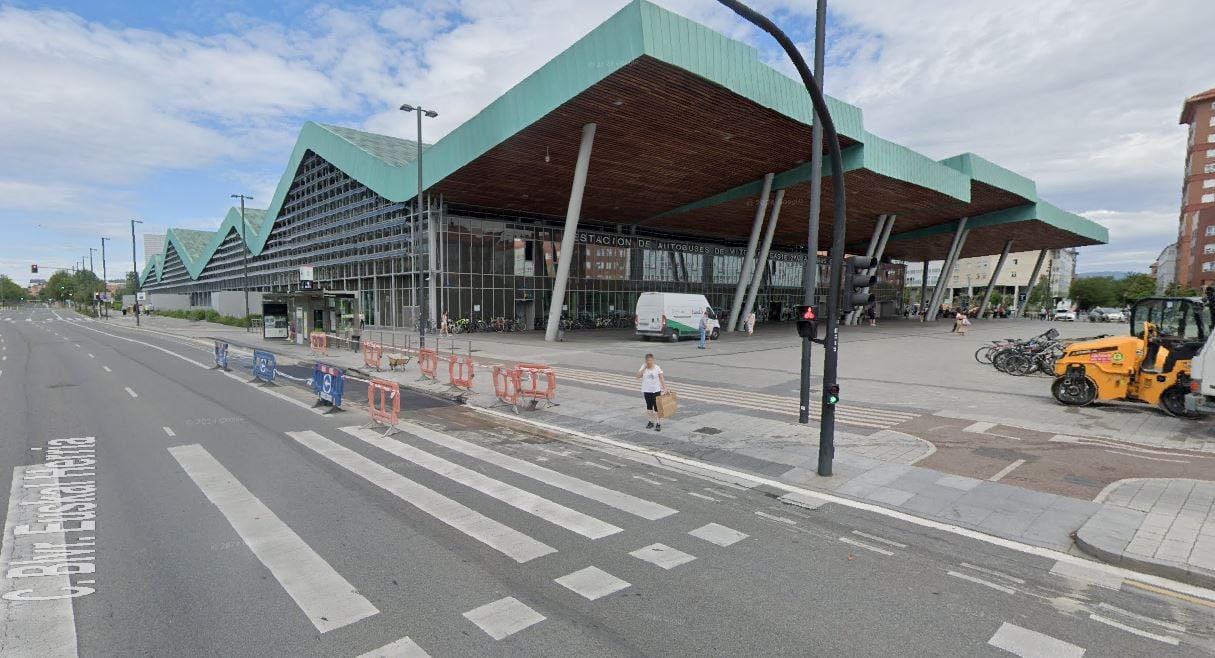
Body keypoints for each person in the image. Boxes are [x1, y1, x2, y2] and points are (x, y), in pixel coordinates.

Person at [636, 353, 668, 432]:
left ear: (653, 360)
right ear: (645, 361)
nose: (649, 362)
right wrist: (644, 368)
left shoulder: (657, 368)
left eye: (650, 360)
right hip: (646, 390)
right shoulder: (643, 366)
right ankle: (650, 422)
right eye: (647, 361)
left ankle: (658, 423)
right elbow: (637, 376)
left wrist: (665, 389)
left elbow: (662, 379)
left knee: (657, 407)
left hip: (656, 390)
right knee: (649, 406)